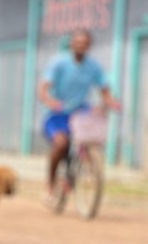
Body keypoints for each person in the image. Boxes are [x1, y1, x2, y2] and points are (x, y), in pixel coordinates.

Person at [38, 29, 119, 202]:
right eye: (78, 42)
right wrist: (50, 101)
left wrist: (110, 102)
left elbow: (104, 89)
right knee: (61, 144)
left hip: (79, 112)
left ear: (89, 45)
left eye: (85, 43)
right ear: (72, 44)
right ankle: (51, 184)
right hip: (57, 114)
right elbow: (43, 88)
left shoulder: (93, 66)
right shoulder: (59, 63)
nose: (81, 45)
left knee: (89, 137)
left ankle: (82, 174)